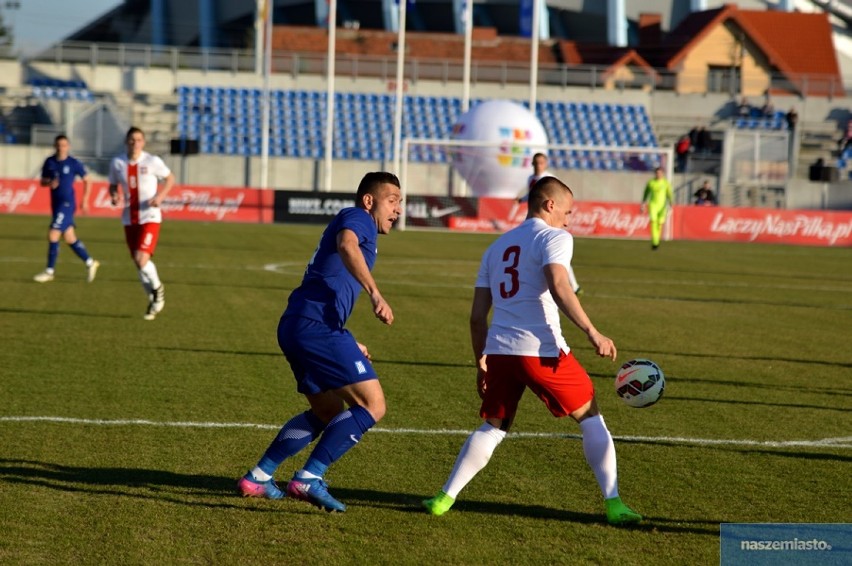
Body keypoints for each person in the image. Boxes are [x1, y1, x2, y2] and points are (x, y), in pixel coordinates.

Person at [422, 176, 641, 526]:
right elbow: (558, 284)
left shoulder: (495, 248)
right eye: (567, 211)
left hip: (500, 351)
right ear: (549, 205)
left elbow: (477, 317)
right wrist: (592, 331)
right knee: (590, 416)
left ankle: (444, 497)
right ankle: (614, 504)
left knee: (494, 426)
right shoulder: (554, 237)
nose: (569, 220)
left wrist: (482, 362)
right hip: (540, 351)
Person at [237, 172, 403, 513]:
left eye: (401, 202)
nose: (398, 209)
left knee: (327, 411)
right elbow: (346, 245)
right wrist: (375, 294)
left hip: (300, 324)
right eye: (393, 200)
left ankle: (258, 476)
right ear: (369, 201)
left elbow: (332, 282)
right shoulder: (358, 217)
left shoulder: (362, 224)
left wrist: (348, 340)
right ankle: (310, 477)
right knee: (373, 405)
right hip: (315, 327)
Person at [108, 126, 175, 320]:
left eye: (138, 140)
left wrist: (160, 197)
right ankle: (154, 301)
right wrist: (114, 195)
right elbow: (113, 184)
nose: (135, 143)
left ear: (143, 142)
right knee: (139, 265)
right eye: (131, 140)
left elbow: (170, 178)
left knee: (141, 259)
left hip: (150, 216)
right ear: (126, 142)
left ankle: (158, 290)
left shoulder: (152, 161)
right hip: (130, 217)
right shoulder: (118, 163)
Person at [33, 135, 100, 283]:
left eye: (63, 145)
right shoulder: (49, 162)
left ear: (68, 146)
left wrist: (85, 200)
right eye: (58, 145)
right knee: (70, 237)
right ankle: (90, 262)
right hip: (56, 204)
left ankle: (49, 271)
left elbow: (87, 180)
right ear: (54, 146)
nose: (61, 147)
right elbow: (42, 182)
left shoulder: (73, 163)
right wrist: (49, 182)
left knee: (53, 234)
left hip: (67, 203)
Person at [512, 153, 582, 294]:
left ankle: (573, 286)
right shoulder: (531, 179)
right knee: (540, 252)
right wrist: (522, 199)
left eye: (541, 162)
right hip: (535, 218)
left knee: (555, 252)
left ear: (545, 164)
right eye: (536, 162)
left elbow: (557, 195)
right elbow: (533, 195)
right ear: (532, 163)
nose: (538, 165)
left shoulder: (548, 179)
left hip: (548, 218)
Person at [641, 167, 673, 250]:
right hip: (653, 205)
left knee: (660, 224)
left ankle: (656, 240)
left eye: (660, 173)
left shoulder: (666, 183)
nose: (658, 174)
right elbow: (646, 193)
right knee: (653, 222)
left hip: (663, 206)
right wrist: (644, 202)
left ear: (662, 174)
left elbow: (669, 193)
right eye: (657, 173)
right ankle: (655, 242)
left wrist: (671, 202)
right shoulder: (651, 182)